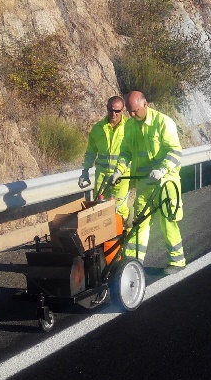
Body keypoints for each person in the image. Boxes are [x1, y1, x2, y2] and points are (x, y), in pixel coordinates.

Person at [115, 90, 185, 273]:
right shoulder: (130, 126)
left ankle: (177, 261)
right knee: (139, 223)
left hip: (165, 182)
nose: (132, 114)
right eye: (129, 111)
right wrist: (118, 170)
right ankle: (132, 265)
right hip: (144, 184)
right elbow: (126, 152)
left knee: (168, 221)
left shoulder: (163, 122)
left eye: (135, 110)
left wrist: (162, 169)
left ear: (145, 104)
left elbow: (175, 151)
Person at [79, 95, 130, 218]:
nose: (113, 114)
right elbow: (91, 152)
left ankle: (124, 229)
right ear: (107, 108)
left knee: (119, 208)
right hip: (102, 176)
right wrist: (85, 171)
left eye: (117, 111)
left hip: (122, 176)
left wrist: (121, 171)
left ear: (123, 110)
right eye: (110, 110)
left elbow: (132, 152)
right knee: (100, 208)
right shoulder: (98, 128)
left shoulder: (130, 127)